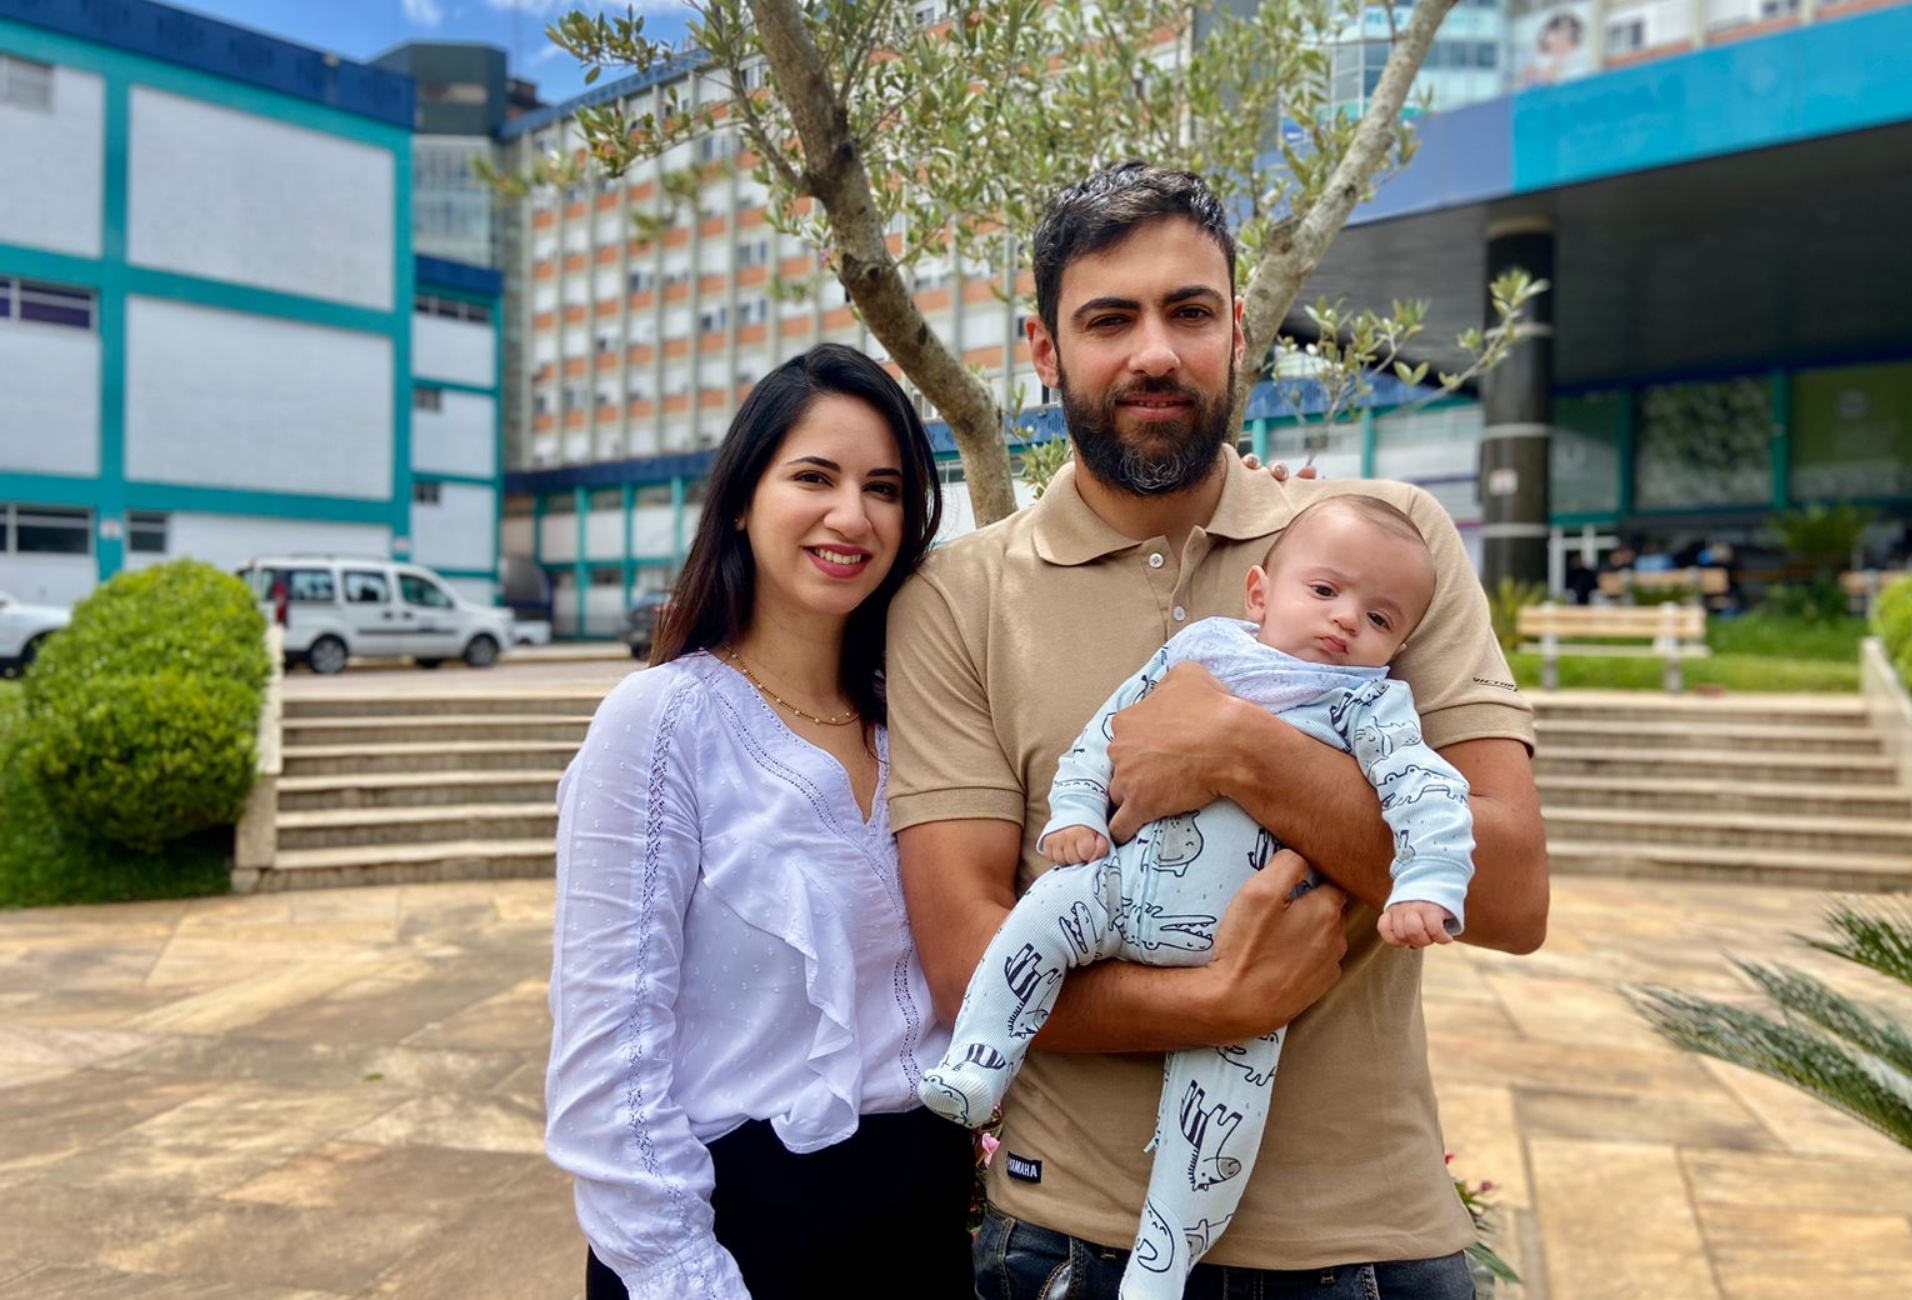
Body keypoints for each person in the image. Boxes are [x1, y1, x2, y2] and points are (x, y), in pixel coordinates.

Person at [887, 163, 1546, 1299]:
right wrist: (1220, 1004)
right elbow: (966, 964)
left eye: (1189, 312)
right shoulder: (957, 599)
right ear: (1044, 350)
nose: (1155, 352)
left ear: (1237, 333)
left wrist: (1237, 749)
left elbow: (1511, 897)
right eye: (1109, 320)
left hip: (1370, 1242)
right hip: (1067, 1243)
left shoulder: (1379, 552)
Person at [920, 493, 1477, 1299]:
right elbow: (1107, 733)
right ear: (1260, 593)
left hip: (1253, 945)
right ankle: (980, 1060)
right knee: (1041, 916)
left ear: (1399, 645)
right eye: (1324, 592)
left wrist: (1425, 883)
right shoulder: (1202, 651)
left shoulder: (1369, 704)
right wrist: (1076, 812)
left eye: (1380, 619)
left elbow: (1429, 796)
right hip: (1122, 890)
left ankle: (1163, 1259)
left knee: (1215, 1121)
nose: (1345, 620)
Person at [544, 343, 968, 1299]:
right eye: (814, 477)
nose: (852, 516)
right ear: (741, 498)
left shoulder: (923, 721)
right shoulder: (662, 722)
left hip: (923, 1233)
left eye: (885, 488)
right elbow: (607, 1073)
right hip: (734, 1241)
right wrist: (686, 1275)